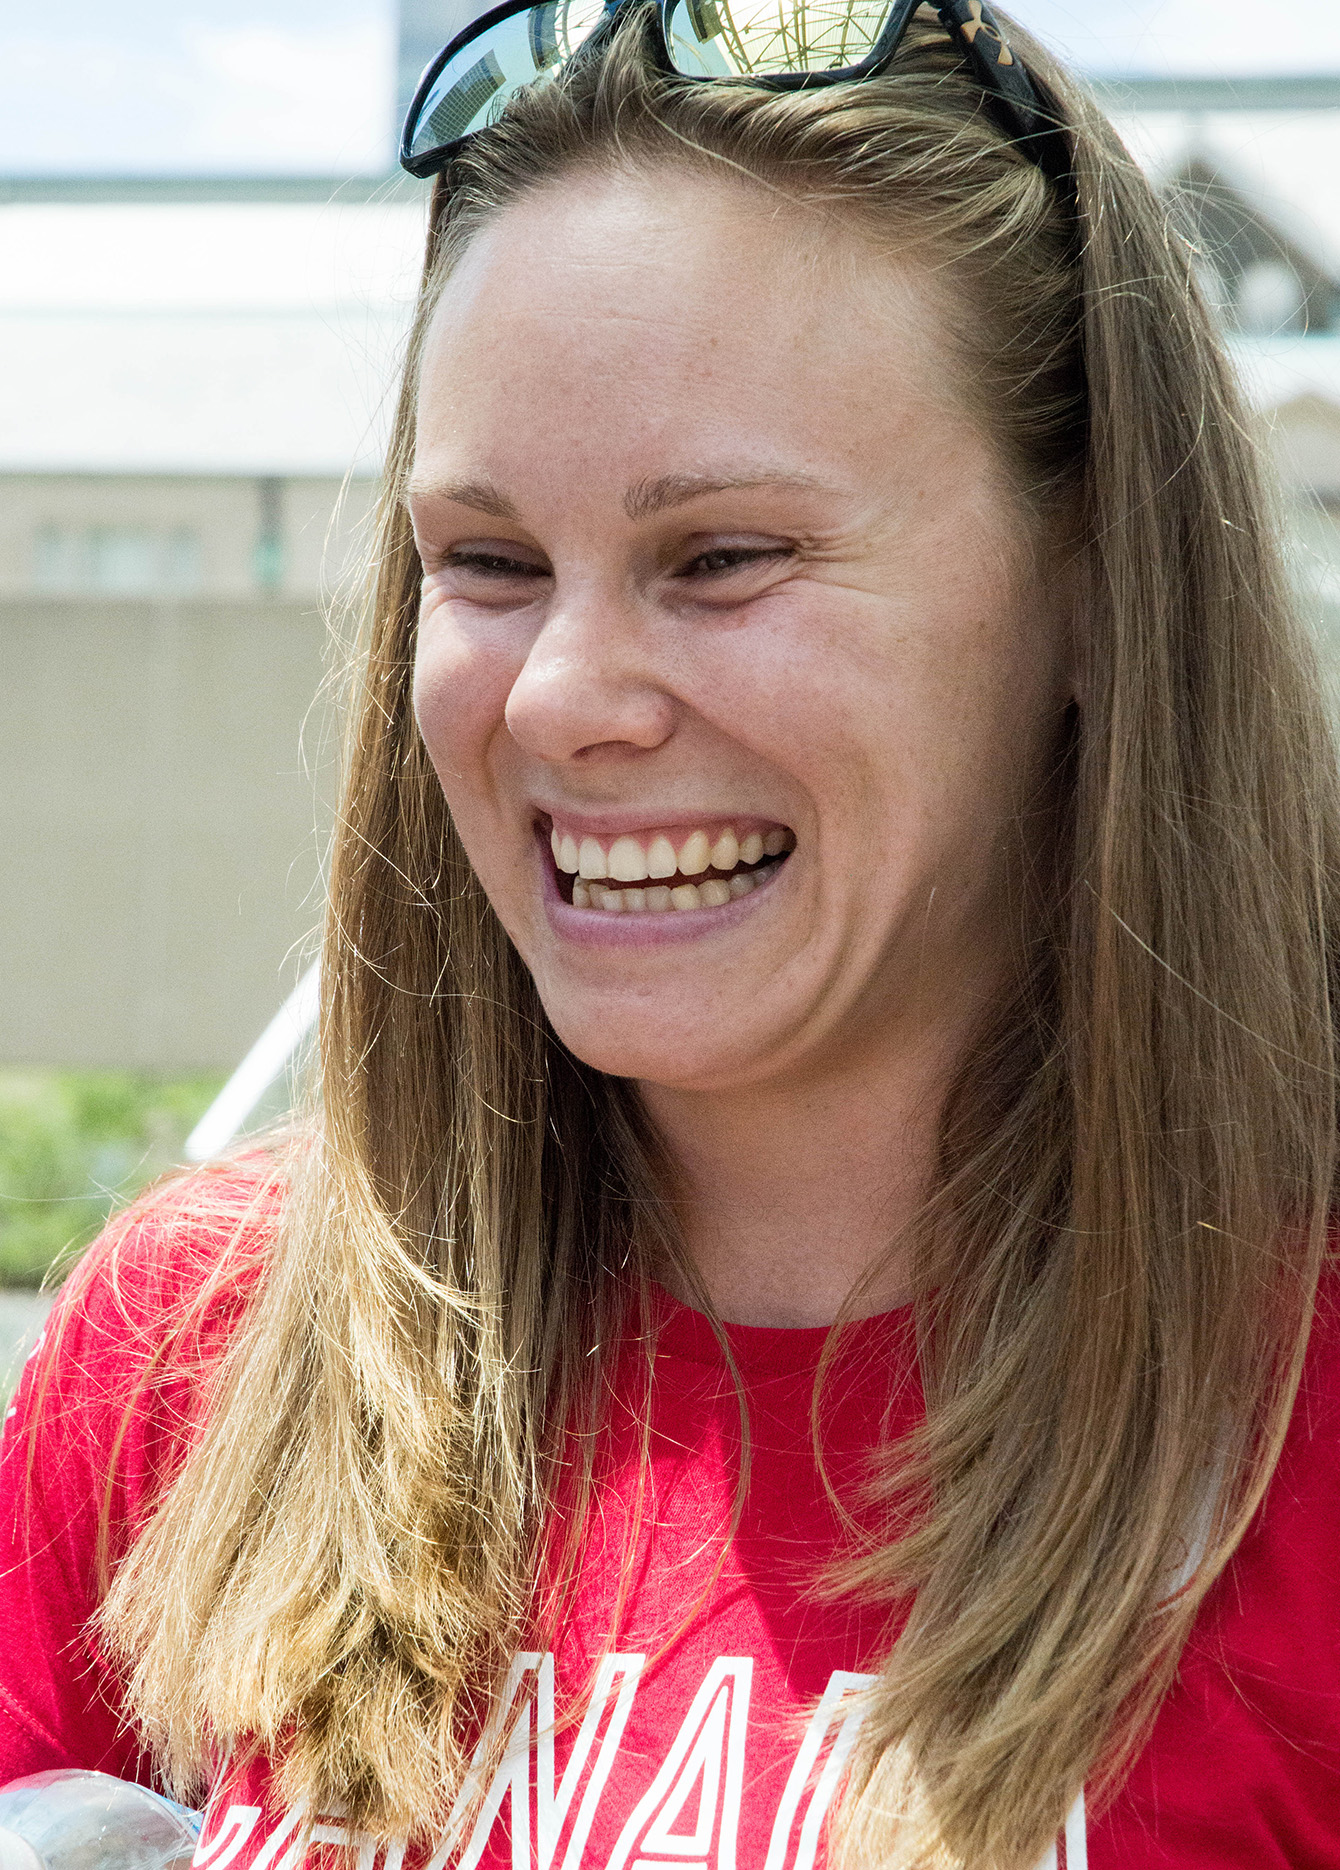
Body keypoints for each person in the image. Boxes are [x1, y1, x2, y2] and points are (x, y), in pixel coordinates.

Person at [4, 3, 1340, 1866]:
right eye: (487, 562)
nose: (561, 696)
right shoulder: (189, 1356)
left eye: (721, 557)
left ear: (1099, 589)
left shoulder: (1303, 1424)